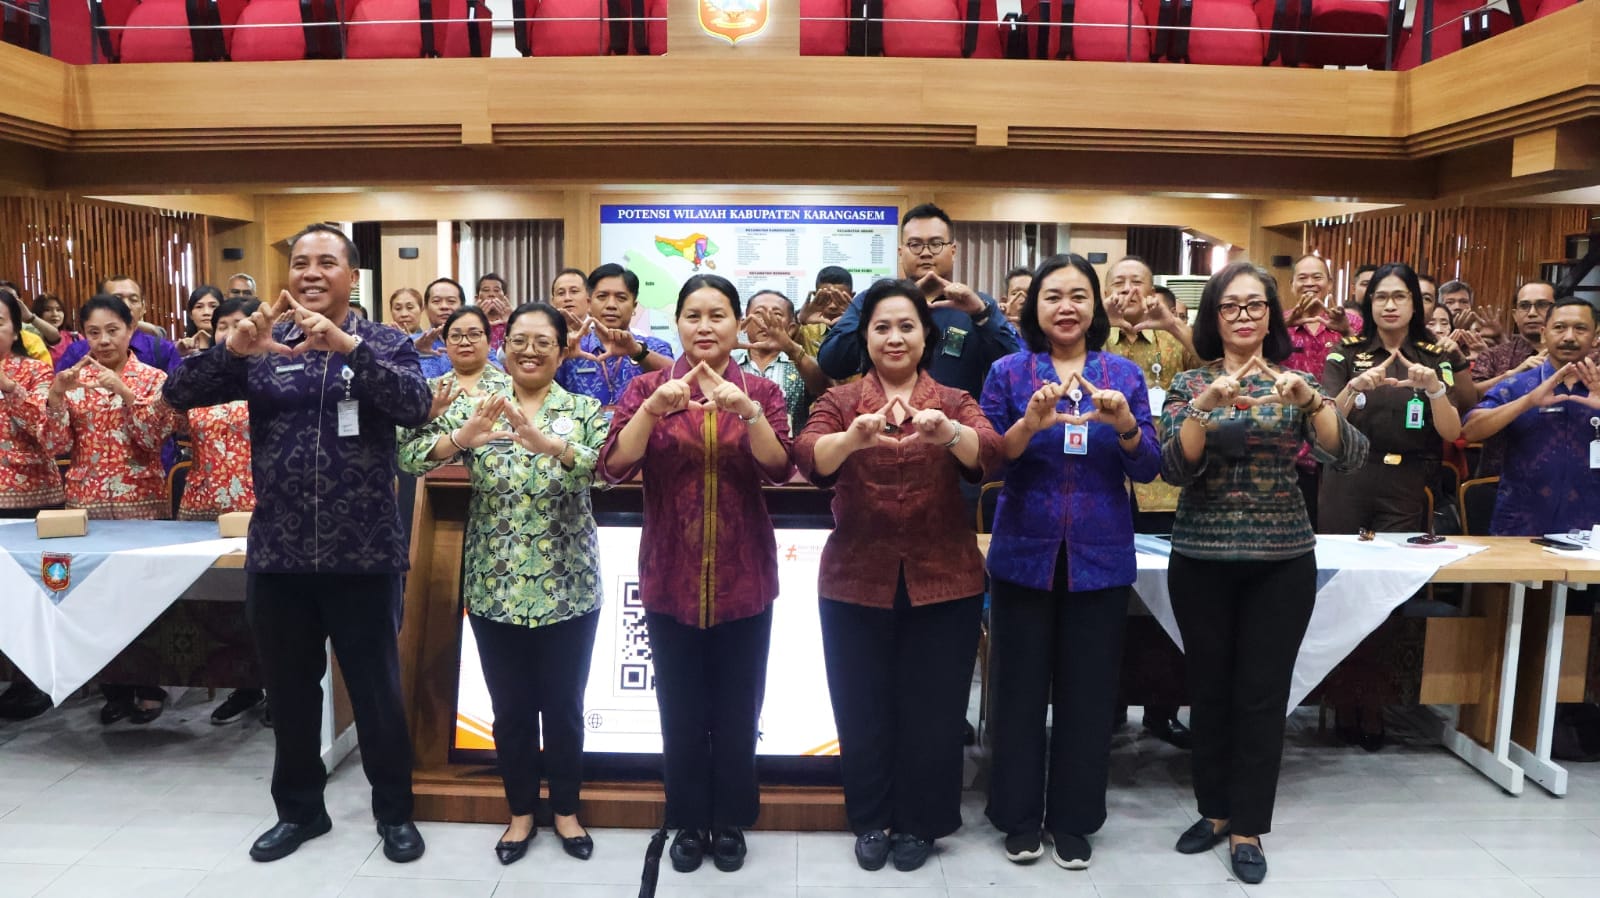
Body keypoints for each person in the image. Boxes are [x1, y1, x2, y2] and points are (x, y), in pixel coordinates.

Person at [162, 224, 432, 865]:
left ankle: (394, 812)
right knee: (288, 692)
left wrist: (348, 348)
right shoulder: (265, 342)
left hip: (363, 552)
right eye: (301, 262)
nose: (311, 272)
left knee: (376, 690)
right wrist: (234, 351)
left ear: (352, 276)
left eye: (326, 262)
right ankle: (301, 812)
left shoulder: (383, 340)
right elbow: (178, 393)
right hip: (279, 552)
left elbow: (416, 405)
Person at [1160, 262, 1367, 885]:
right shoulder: (1190, 382)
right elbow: (1174, 467)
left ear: (1271, 316)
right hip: (1201, 557)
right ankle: (1215, 810)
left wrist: (1312, 401)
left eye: (1255, 305)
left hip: (1281, 560)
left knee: (1261, 694)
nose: (1244, 316)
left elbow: (1347, 454)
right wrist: (1205, 407)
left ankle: (1248, 824)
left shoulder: (1296, 379)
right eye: (1231, 305)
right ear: (1213, 316)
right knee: (1209, 689)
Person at [795, 279, 1001, 873]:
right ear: (865, 336)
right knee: (861, 705)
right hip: (855, 577)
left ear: (926, 337)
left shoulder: (953, 399)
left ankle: (921, 821)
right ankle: (872, 817)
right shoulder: (841, 400)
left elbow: (990, 451)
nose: (894, 337)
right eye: (882, 327)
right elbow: (807, 455)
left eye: (906, 326)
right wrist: (852, 439)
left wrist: (948, 434)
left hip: (946, 579)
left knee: (934, 710)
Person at [399, 302, 608, 867]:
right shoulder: (478, 406)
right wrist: (460, 439)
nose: (529, 351)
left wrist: (552, 446)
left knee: (563, 706)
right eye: (518, 340)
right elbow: (409, 455)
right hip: (495, 582)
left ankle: (566, 809)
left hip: (569, 585)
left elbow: (607, 469)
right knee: (510, 708)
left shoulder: (584, 409)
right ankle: (519, 811)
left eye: (543, 341)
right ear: (504, 346)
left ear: (563, 350)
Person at [599, 274, 793, 876]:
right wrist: (652, 411)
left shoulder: (761, 390)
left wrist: (748, 413)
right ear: (677, 323)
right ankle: (685, 819)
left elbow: (781, 468)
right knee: (679, 709)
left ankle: (730, 818)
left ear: (738, 325)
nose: (705, 327)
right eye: (693, 315)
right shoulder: (646, 387)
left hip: (745, 575)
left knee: (739, 707)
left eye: (717, 315)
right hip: (669, 574)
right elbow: (613, 467)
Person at [979, 254, 1161, 871]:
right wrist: (1029, 425)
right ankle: (1018, 816)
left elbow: (1148, 466)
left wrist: (1127, 423)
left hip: (1100, 555)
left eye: (1079, 295)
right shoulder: (1008, 372)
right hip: (1024, 552)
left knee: (1088, 696)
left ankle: (1075, 820)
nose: (1066, 307)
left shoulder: (1122, 374)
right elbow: (989, 460)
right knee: (1018, 693)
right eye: (1053, 295)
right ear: (1035, 307)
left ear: (1095, 306)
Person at [41, 294, 178, 725]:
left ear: (130, 329)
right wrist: (57, 396)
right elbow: (55, 445)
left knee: (143, 598)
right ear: (83, 335)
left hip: (142, 504)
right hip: (88, 505)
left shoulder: (153, 378)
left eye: (112, 330)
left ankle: (150, 687)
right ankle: (113, 690)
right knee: (96, 600)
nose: (103, 341)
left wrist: (124, 392)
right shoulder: (73, 381)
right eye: (93, 332)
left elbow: (153, 439)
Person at [1099, 255, 1198, 747]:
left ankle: (1164, 708)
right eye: (1117, 283)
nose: (1128, 291)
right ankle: (1111, 702)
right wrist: (1101, 322)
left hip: (1165, 487)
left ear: (1153, 290)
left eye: (1136, 282)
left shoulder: (1170, 338)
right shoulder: (1094, 338)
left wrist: (1173, 323)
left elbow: (1210, 367)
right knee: (1115, 605)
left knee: (1169, 605)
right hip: (1110, 485)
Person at [172, 297, 269, 726]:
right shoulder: (204, 376)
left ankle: (280, 691)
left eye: (240, 322)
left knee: (266, 606)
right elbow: (170, 418)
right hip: (204, 501)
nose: (232, 332)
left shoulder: (273, 371)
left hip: (259, 501)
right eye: (223, 325)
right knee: (223, 608)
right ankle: (243, 687)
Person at [818, 204, 1021, 398]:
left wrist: (981, 315)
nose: (925, 252)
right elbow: (832, 364)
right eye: (915, 244)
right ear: (901, 253)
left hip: (955, 419)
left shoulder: (977, 305)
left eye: (936, 244)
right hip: (883, 418)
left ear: (953, 251)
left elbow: (1014, 372)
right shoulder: (872, 300)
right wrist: (878, 311)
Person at [1462, 296, 1600, 535]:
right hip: (1520, 524)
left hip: (1591, 527)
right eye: (1559, 327)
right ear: (1544, 334)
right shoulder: (1517, 385)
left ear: (1596, 337)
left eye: (1580, 328)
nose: (1569, 337)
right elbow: (1470, 431)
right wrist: (1527, 401)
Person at [0, 288, 63, 722]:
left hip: (31, 499)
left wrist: (9, 388)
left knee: (31, 596)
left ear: (15, 329)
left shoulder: (35, 371)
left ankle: (34, 683)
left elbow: (47, 430)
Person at [555, 264, 674, 409]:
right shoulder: (574, 347)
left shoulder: (654, 347)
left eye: (621, 298)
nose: (611, 305)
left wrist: (638, 352)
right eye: (602, 297)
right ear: (589, 304)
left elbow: (678, 378)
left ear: (634, 306)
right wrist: (559, 356)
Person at [734, 289, 830, 433]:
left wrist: (792, 348)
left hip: (790, 446)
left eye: (776, 314)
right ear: (744, 324)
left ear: (791, 328)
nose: (765, 321)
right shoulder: (730, 364)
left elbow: (824, 387)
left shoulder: (802, 365)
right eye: (758, 314)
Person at [56, 276, 179, 374]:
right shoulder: (77, 352)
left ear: (143, 308)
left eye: (133, 300)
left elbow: (179, 395)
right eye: (117, 299)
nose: (127, 306)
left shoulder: (163, 350)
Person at [424, 306, 511, 422]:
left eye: (474, 334)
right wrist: (429, 415)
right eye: (455, 336)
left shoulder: (512, 387)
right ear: (445, 343)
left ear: (489, 342)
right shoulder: (429, 389)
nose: (464, 342)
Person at [1472, 281, 1559, 392]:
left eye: (1542, 305)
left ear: (1559, 311)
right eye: (1524, 306)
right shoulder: (1493, 356)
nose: (1532, 313)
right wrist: (1514, 374)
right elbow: (1472, 396)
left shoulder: (1572, 353)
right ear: (1515, 315)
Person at [415, 276, 466, 379]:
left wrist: (476, 357)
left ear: (463, 307)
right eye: (436, 301)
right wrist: (414, 350)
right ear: (426, 308)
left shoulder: (478, 344)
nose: (444, 306)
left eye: (451, 301)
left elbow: (500, 378)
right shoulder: (411, 343)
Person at [178, 286, 224, 357]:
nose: (206, 312)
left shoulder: (231, 347)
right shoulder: (182, 348)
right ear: (190, 314)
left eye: (213, 306)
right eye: (199, 307)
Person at [32, 294, 79, 364]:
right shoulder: (31, 340)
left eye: (59, 310)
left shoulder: (75, 338)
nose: (55, 314)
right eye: (47, 310)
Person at [475, 273, 511, 351]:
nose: (491, 294)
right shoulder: (470, 322)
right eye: (486, 290)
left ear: (505, 297)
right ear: (477, 298)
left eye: (496, 290)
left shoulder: (514, 321)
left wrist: (511, 322)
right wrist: (476, 319)